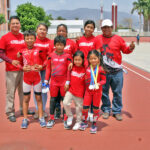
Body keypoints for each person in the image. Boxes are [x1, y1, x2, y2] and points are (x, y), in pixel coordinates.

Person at [96, 19, 135, 121]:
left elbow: (125, 51)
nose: (106, 29)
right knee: (104, 92)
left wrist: (130, 48)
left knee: (117, 92)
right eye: (104, 27)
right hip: (103, 72)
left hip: (117, 72)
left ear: (112, 28)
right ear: (101, 28)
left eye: (108, 27)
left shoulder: (118, 39)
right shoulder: (97, 39)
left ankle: (117, 111)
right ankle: (106, 110)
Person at [0, 16, 34, 122]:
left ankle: (23, 109)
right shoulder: (5, 38)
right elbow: (1, 53)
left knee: (23, 91)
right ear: (10, 25)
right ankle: (10, 112)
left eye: (17, 23)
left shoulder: (23, 37)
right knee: (11, 92)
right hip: (11, 70)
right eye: (13, 23)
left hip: (24, 69)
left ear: (20, 25)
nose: (15, 25)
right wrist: (11, 61)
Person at [17, 30, 46, 129]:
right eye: (27, 38)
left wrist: (41, 66)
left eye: (31, 38)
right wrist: (22, 68)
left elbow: (46, 60)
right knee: (26, 99)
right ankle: (25, 119)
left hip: (37, 78)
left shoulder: (39, 50)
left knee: (39, 98)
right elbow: (18, 63)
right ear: (24, 39)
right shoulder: (21, 51)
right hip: (27, 79)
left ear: (35, 39)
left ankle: (41, 117)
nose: (29, 40)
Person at [49, 24, 77, 119]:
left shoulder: (72, 43)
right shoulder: (52, 43)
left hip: (66, 74)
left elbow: (76, 55)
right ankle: (56, 111)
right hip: (55, 76)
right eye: (59, 30)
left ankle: (66, 115)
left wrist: (72, 63)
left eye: (63, 30)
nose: (61, 32)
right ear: (56, 32)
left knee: (64, 96)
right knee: (55, 97)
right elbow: (49, 58)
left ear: (67, 32)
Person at [45, 36, 72, 129]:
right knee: (53, 100)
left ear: (64, 46)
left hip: (64, 82)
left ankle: (65, 119)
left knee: (65, 101)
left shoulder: (68, 56)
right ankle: (51, 118)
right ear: (54, 45)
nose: (59, 47)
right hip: (54, 83)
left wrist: (68, 82)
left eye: (61, 45)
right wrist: (46, 80)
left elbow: (69, 70)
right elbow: (48, 68)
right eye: (57, 45)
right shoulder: (51, 55)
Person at [79, 50, 106, 134]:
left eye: (95, 58)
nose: (93, 60)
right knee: (85, 108)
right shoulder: (87, 68)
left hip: (97, 92)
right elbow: (85, 78)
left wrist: (98, 84)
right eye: (91, 59)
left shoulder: (101, 69)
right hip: (88, 92)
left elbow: (104, 81)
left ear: (98, 59)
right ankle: (84, 121)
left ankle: (94, 124)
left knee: (95, 109)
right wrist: (82, 78)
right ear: (88, 59)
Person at [76, 20, 98, 122]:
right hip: (82, 69)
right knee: (84, 91)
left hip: (93, 69)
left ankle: (92, 112)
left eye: (91, 27)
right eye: (87, 27)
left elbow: (98, 55)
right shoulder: (79, 39)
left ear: (94, 29)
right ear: (84, 28)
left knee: (92, 90)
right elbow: (77, 54)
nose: (89, 29)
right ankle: (84, 111)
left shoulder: (96, 40)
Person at [63, 51, 85, 130]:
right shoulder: (71, 67)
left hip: (80, 92)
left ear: (83, 60)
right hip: (71, 90)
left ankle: (78, 122)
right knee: (65, 103)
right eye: (75, 60)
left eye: (79, 60)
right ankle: (70, 115)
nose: (77, 62)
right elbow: (68, 76)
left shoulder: (85, 68)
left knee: (78, 108)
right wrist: (67, 83)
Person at [33, 23, 51, 119]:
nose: (42, 31)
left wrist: (43, 65)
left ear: (47, 31)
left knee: (44, 90)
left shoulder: (49, 42)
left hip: (45, 70)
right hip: (34, 70)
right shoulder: (32, 40)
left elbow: (49, 56)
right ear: (36, 30)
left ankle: (43, 110)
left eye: (44, 29)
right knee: (36, 90)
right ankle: (37, 109)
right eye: (40, 29)